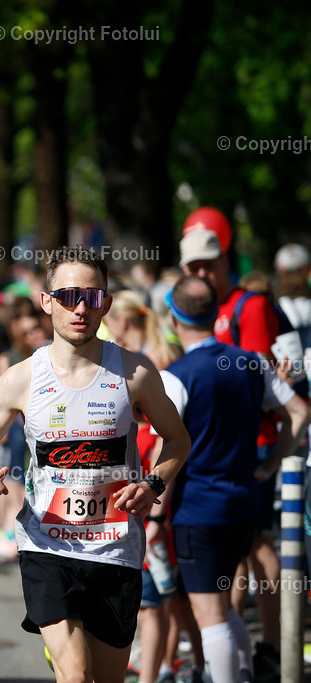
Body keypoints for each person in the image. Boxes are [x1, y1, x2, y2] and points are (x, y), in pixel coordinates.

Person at [0, 245, 191, 683]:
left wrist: (152, 484)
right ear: (47, 301)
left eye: (93, 296)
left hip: (115, 547)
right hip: (47, 547)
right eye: (68, 296)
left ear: (106, 301)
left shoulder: (135, 373)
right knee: (75, 673)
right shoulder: (20, 379)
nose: (81, 308)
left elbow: (178, 438)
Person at [157, 276, 310, 682]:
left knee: (209, 616)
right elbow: (299, 412)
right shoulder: (251, 362)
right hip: (243, 502)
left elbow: (167, 451)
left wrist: (153, 511)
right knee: (222, 608)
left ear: (174, 317)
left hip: (197, 509)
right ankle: (242, 674)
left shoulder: (175, 375)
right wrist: (271, 464)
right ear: (217, 313)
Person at [179, 230, 290, 672]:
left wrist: (273, 460)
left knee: (259, 549)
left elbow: (266, 379)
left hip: (246, 452)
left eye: (210, 263)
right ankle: (245, 654)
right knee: (226, 584)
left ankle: (272, 649)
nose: (203, 272)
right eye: (194, 267)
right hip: (229, 463)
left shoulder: (251, 305)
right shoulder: (212, 310)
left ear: (226, 260)